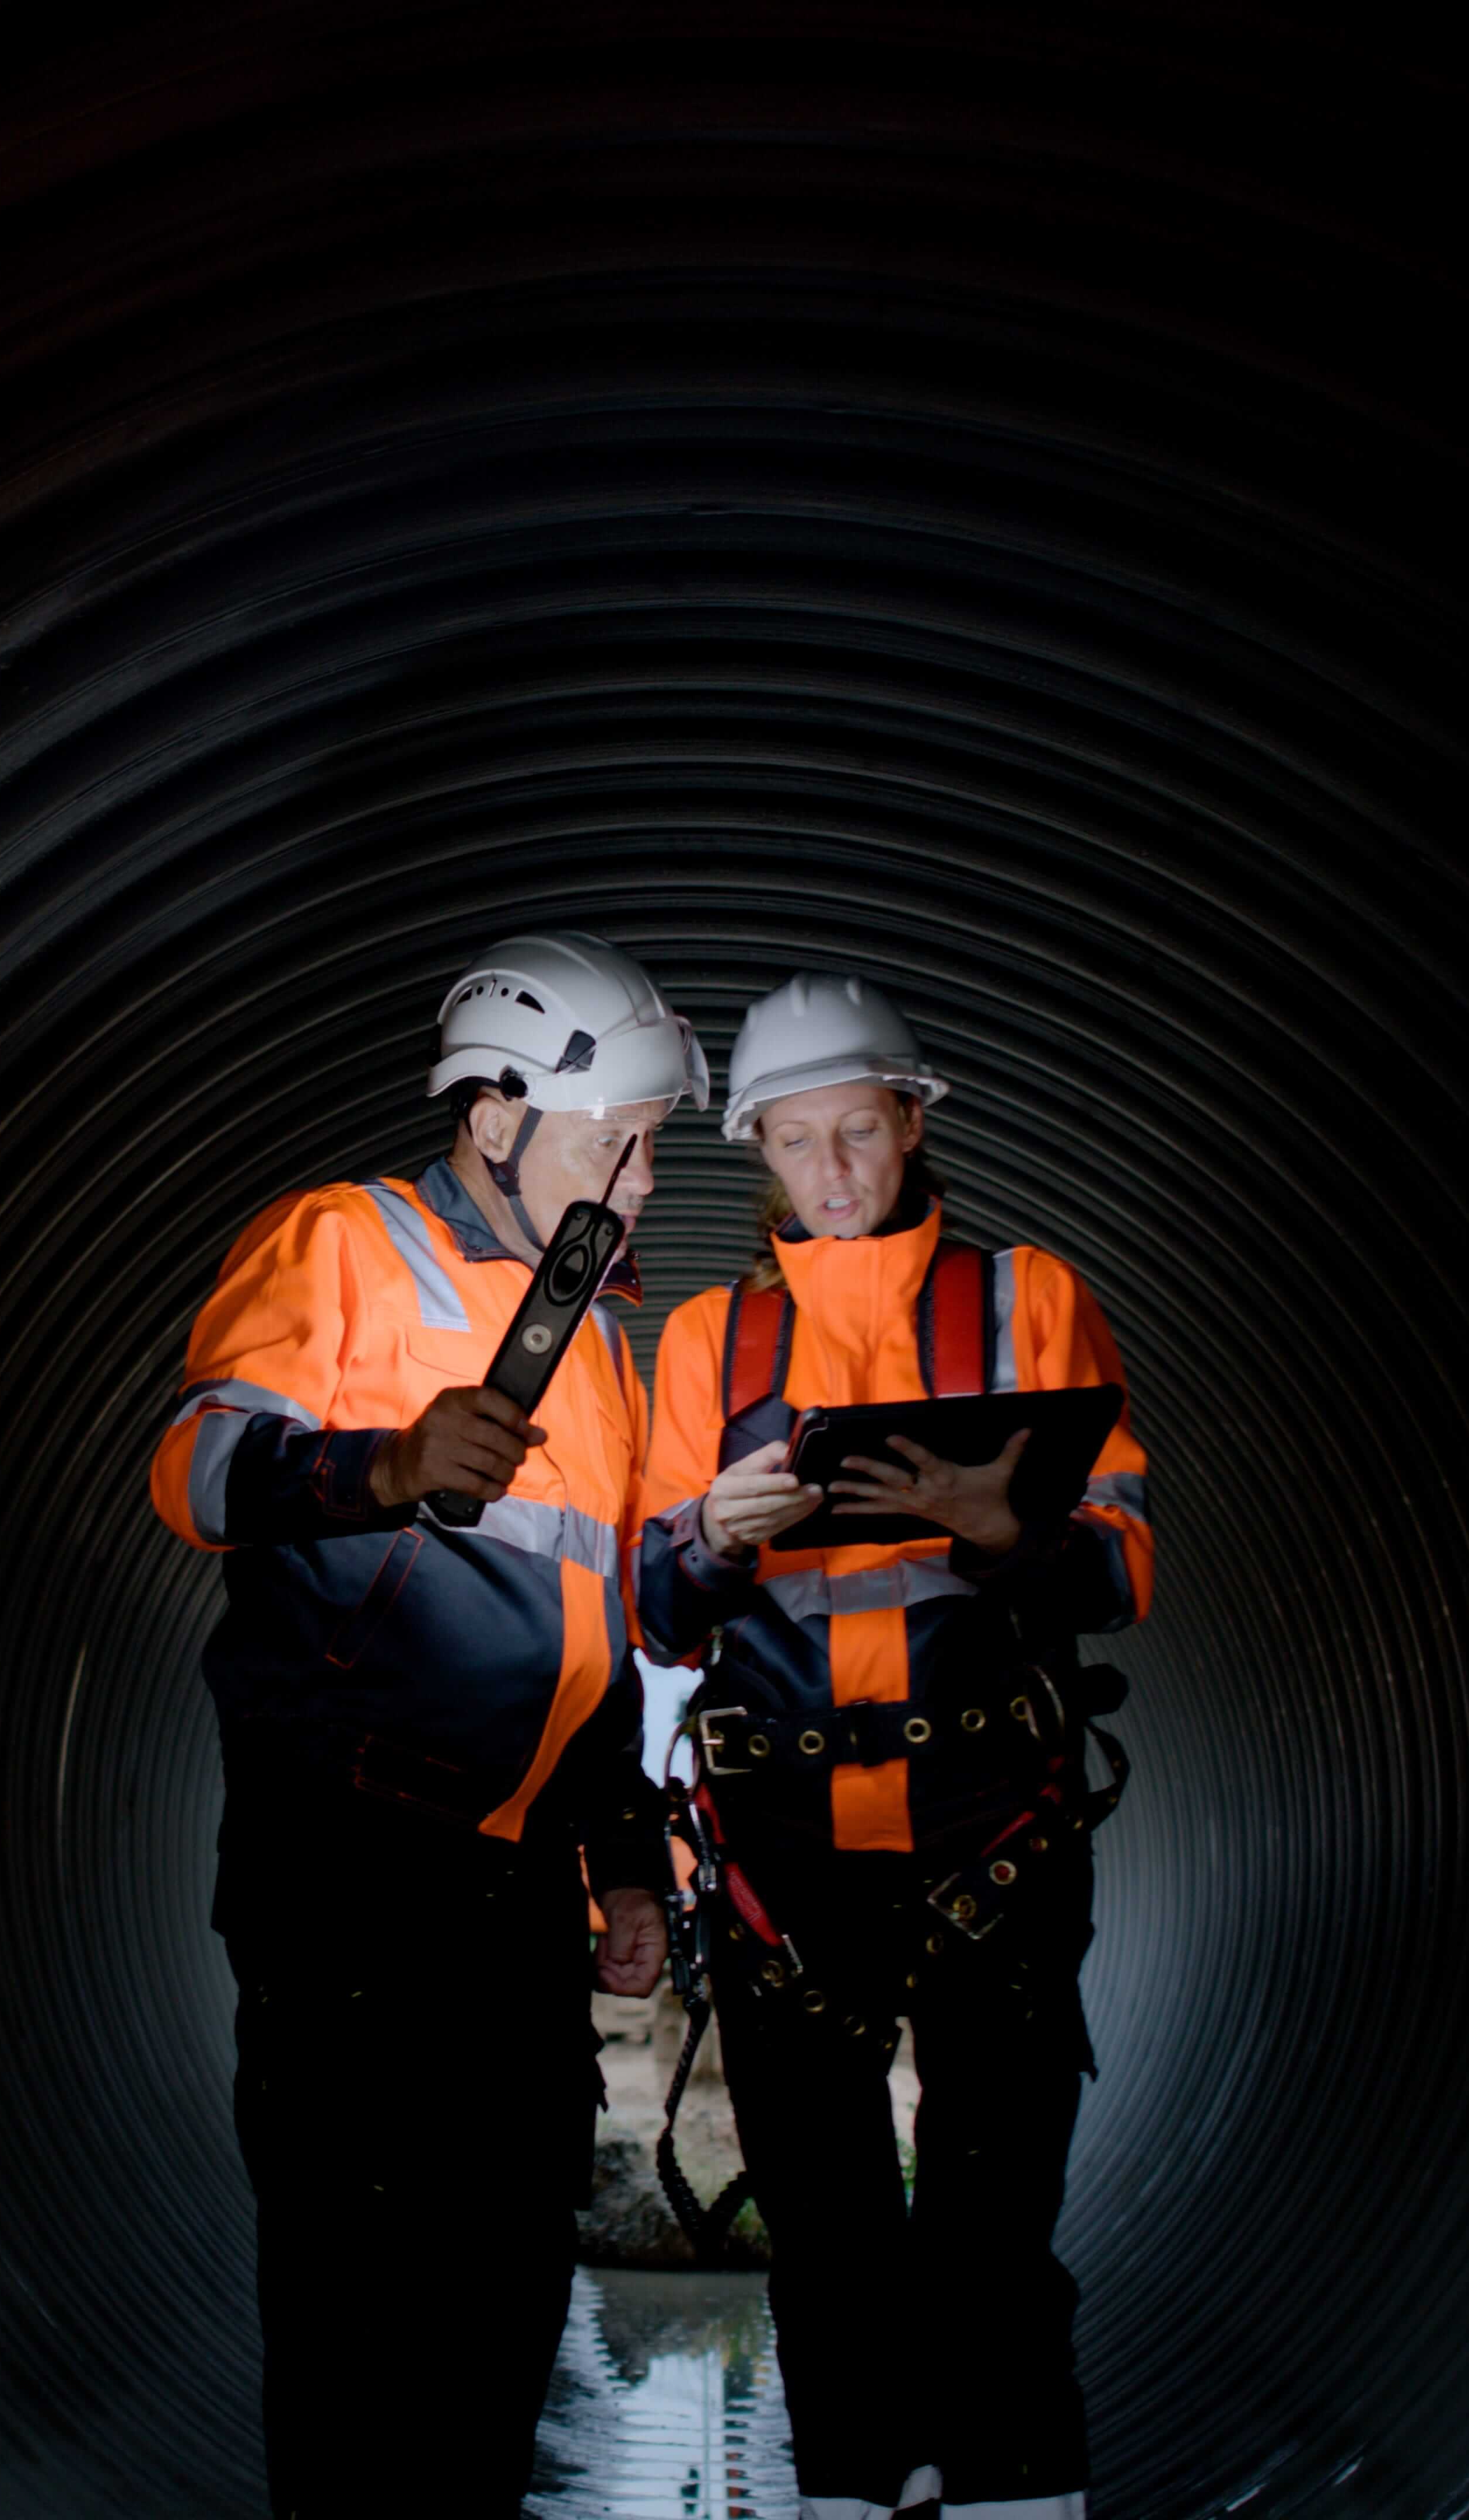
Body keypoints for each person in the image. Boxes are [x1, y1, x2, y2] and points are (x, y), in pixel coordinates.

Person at [147, 931, 699, 2516]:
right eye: (619, 1144)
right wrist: (379, 1468)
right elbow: (195, 1470)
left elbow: (590, 1647)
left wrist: (631, 1869)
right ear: (495, 1118)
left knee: (504, 2294)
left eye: (656, 1149)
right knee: (362, 2315)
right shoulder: (345, 1245)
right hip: (351, 1862)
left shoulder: (591, 1334)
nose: (645, 1185)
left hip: (514, 1895)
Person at [633, 974, 1158, 2520]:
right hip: (787, 1861)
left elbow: (1124, 1569)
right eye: (797, 1143)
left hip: (996, 1823)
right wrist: (713, 1548)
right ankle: (858, 2488)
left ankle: (1008, 2493)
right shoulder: (709, 1345)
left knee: (996, 2219)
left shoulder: (1029, 1301)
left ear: (914, 1120)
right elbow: (654, 1612)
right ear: (762, 1157)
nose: (834, 1169)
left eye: (858, 1129)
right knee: (827, 2228)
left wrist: (1010, 1536)